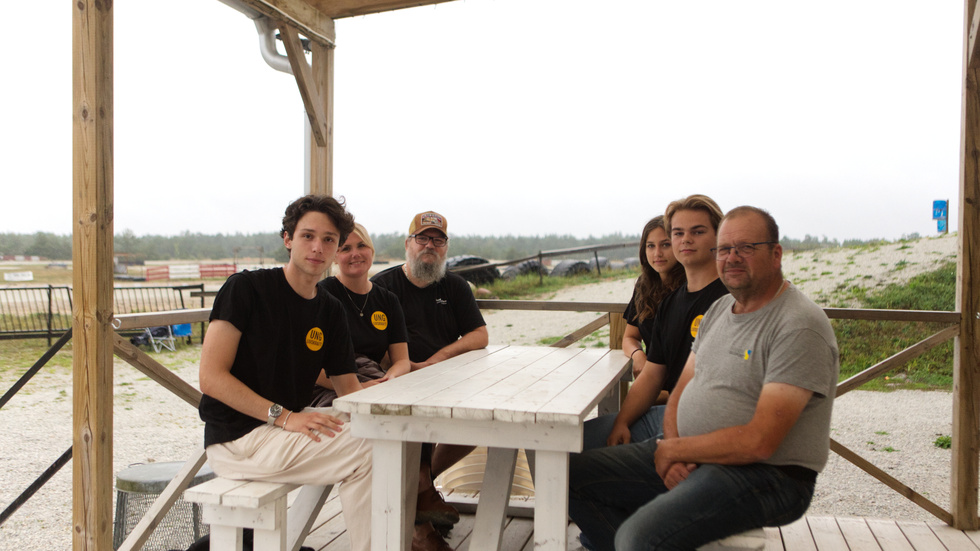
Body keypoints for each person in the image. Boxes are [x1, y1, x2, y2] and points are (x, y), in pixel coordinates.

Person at [568, 206, 840, 551]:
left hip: (768, 475)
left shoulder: (798, 324)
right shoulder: (719, 311)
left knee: (638, 537)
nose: (732, 257)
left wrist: (675, 450)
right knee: (568, 474)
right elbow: (682, 389)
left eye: (746, 247)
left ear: (776, 254)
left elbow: (760, 441)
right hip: (692, 450)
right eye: (725, 249)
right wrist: (674, 446)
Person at [198, 195, 372, 551]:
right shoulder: (246, 289)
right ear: (287, 239)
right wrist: (284, 417)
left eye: (328, 239)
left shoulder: (331, 310)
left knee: (388, 434)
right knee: (369, 446)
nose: (317, 247)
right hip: (238, 438)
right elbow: (211, 377)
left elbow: (349, 392)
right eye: (308, 236)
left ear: (337, 247)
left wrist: (397, 407)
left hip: (283, 429)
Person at [371, 210, 489, 548]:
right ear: (408, 244)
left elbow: (479, 335)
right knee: (408, 418)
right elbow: (366, 343)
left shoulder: (454, 286)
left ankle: (420, 488)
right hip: (395, 381)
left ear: (446, 248)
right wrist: (405, 367)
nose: (429, 245)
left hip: (448, 380)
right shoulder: (384, 286)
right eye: (422, 238)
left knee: (482, 423)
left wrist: (437, 360)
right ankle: (421, 525)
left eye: (437, 240)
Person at [583, 195, 728, 451]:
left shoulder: (733, 298)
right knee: (564, 444)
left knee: (575, 464)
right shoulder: (670, 303)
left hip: (706, 427)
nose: (686, 239)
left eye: (698, 231)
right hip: (669, 412)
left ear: (719, 235)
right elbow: (652, 371)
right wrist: (622, 421)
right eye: (679, 233)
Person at [311, 223, 411, 407]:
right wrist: (359, 388)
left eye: (361, 246)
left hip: (376, 383)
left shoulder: (388, 300)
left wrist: (390, 378)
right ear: (334, 256)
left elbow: (402, 360)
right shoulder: (320, 295)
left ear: (371, 251)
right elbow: (309, 366)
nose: (355, 254)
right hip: (328, 388)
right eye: (346, 248)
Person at [621, 215, 685, 379]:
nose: (657, 253)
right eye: (650, 246)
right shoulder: (644, 286)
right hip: (652, 383)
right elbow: (630, 337)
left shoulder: (691, 286)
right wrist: (638, 355)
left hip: (682, 389)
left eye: (665, 244)